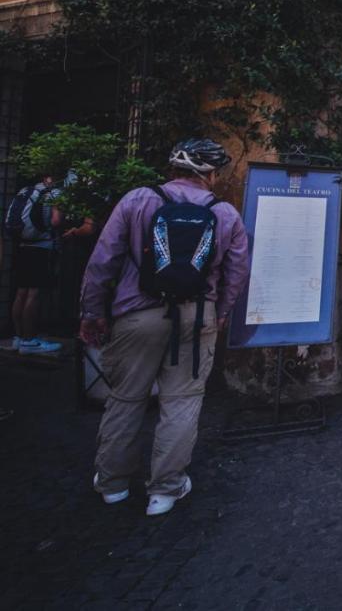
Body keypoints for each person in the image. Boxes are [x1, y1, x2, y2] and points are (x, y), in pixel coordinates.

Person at [79, 138, 249, 516]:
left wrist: (92, 310)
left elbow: (102, 260)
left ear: (173, 169)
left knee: (126, 397)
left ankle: (112, 484)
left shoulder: (138, 200)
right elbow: (236, 273)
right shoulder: (225, 215)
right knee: (183, 400)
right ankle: (164, 491)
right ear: (210, 174)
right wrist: (220, 312)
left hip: (137, 314)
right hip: (196, 314)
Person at [7, 172, 63, 354]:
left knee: (21, 291)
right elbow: (56, 221)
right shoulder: (54, 194)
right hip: (40, 246)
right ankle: (29, 341)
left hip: (23, 245)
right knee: (34, 293)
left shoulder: (26, 190)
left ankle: (18, 337)